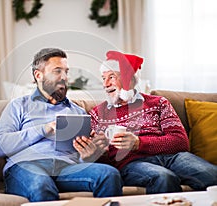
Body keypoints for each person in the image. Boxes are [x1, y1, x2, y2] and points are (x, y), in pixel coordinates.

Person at [0, 48, 123, 202]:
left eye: (66, 72)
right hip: (26, 166)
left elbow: (82, 158)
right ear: (38, 75)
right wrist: (45, 128)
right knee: (41, 185)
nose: (64, 77)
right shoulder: (18, 106)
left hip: (67, 168)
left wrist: (87, 156)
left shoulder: (78, 111)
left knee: (109, 174)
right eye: (57, 71)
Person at [90, 50, 217, 194]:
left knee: (210, 174)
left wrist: (138, 143)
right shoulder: (97, 114)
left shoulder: (158, 103)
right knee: (163, 177)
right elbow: (104, 161)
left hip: (173, 157)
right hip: (132, 163)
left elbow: (181, 142)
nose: (105, 84)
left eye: (111, 77)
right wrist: (99, 150)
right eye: (103, 78)